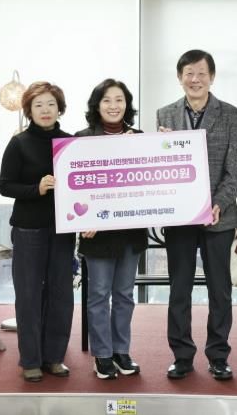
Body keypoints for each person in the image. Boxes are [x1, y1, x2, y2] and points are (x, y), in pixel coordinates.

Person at [157, 49, 237, 381]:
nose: (195, 79)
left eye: (202, 73)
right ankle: (181, 356)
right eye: (189, 73)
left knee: (220, 290)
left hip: (218, 217)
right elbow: (162, 168)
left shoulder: (232, 115)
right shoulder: (165, 114)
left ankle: (218, 356)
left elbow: (235, 171)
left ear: (212, 77)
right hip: (179, 218)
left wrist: (218, 203)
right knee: (179, 289)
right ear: (180, 77)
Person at [0, 81, 75, 382]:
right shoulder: (19, 143)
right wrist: (36, 188)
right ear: (29, 110)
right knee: (29, 294)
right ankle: (30, 359)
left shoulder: (70, 143)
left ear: (60, 109)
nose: (45, 110)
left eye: (51, 104)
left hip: (63, 227)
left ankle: (54, 357)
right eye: (39, 105)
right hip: (29, 228)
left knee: (61, 293)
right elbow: (5, 186)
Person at [76, 79, 148, 380]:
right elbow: (74, 186)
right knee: (98, 294)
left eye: (119, 100)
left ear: (126, 104)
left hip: (130, 230)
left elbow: (149, 182)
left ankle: (121, 351)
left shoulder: (139, 138)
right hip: (96, 233)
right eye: (107, 100)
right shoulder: (81, 140)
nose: (114, 105)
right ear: (97, 105)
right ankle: (102, 355)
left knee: (124, 295)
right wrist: (82, 220)